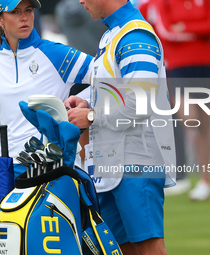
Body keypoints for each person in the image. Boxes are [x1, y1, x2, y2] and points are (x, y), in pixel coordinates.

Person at [65, 0, 176, 254]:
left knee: (149, 248)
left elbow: (140, 102)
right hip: (110, 164)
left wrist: (90, 116)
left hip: (138, 160)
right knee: (117, 249)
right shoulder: (111, 34)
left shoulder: (135, 33)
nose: (80, 1)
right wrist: (87, 100)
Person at [0, 0, 93, 212]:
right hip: (10, 174)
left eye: (28, 10)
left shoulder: (56, 54)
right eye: (14, 12)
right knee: (8, 244)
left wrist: (85, 101)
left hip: (56, 170)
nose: (24, 17)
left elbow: (108, 76)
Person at [139, 0, 210, 200]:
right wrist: (199, 30)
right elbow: (167, 30)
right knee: (189, 118)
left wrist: (184, 26)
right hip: (179, 66)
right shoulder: (163, 2)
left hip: (207, 64)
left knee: (205, 125)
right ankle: (178, 172)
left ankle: (204, 181)